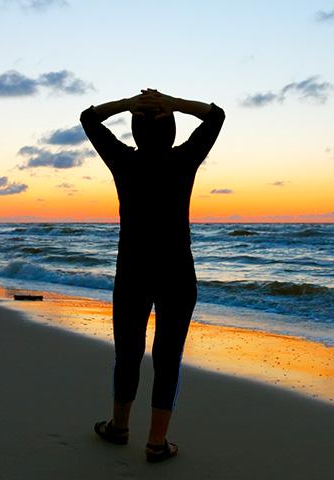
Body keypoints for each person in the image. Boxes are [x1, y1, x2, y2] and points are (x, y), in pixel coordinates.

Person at [80, 89, 225, 462]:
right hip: (177, 272)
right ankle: (156, 443)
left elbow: (88, 118)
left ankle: (119, 427)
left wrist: (128, 104)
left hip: (132, 271)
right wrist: (174, 104)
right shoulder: (184, 160)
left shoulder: (123, 161)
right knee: (168, 358)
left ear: (135, 133)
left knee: (127, 353)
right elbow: (216, 116)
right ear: (173, 132)